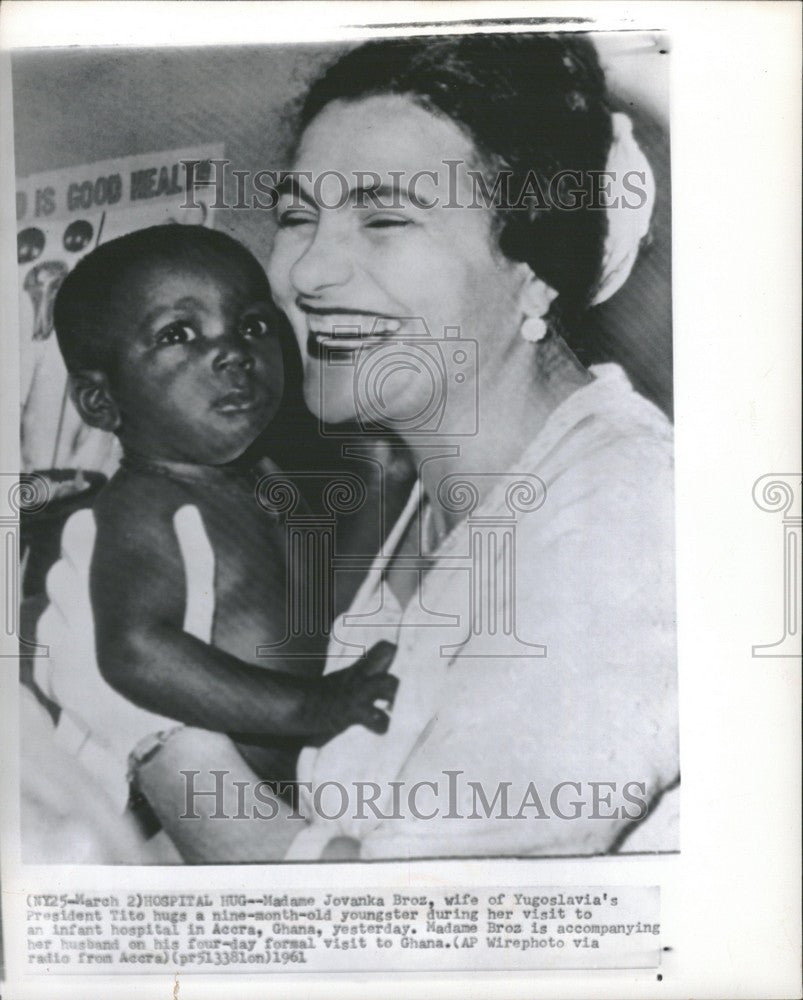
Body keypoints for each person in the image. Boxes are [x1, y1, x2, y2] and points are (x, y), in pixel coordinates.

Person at [262, 31, 678, 859]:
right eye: (296, 215)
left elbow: (411, 919)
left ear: (533, 270)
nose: (307, 271)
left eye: (384, 217)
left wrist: (158, 741)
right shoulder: (419, 510)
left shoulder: (627, 514)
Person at [33, 225, 397, 858]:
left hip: (281, 809)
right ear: (100, 400)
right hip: (168, 829)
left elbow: (321, 607)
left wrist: (382, 482)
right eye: (178, 334)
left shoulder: (263, 479)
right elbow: (135, 651)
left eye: (253, 325)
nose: (233, 352)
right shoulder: (147, 502)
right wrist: (314, 707)